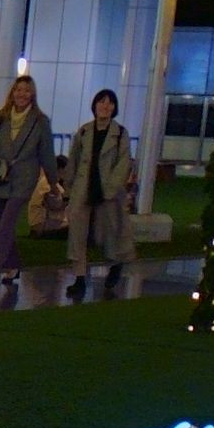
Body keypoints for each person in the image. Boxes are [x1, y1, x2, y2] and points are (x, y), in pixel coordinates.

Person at [0, 73, 55, 297]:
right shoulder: (1, 118)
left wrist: (54, 182)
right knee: (2, 222)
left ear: (32, 94)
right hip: (1, 176)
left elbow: (47, 154)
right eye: (18, 90)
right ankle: (13, 265)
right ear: (12, 93)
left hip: (24, 179)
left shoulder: (40, 122)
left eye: (27, 90)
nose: (22, 94)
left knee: (7, 222)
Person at [62, 88, 137, 300]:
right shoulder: (84, 132)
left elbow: (124, 163)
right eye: (101, 102)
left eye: (109, 102)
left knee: (110, 232)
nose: (105, 106)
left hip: (108, 192)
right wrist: (69, 187)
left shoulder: (120, 134)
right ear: (94, 105)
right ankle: (79, 278)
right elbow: (74, 160)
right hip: (83, 189)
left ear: (114, 108)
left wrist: (112, 187)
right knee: (77, 234)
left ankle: (116, 264)